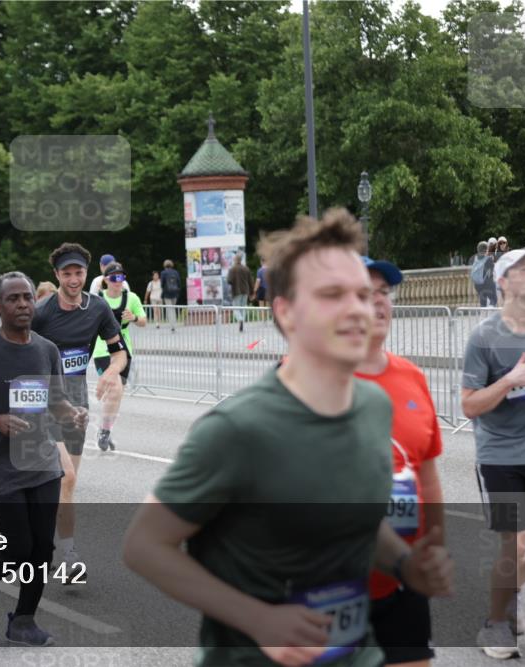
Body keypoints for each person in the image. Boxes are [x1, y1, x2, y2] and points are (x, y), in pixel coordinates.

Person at [123, 209, 454, 667]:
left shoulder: (375, 408)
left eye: (363, 294)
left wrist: (403, 563)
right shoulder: (238, 430)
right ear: (286, 313)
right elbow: (144, 546)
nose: (359, 308)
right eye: (332, 295)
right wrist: (259, 620)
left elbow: (352, 517)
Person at [0, 272, 88, 646]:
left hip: (41, 458)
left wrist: (72, 413)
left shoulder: (46, 349)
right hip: (1, 466)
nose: (23, 305)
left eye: (28, 298)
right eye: (13, 299)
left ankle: (23, 620)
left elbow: (54, 399)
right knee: (19, 545)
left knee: (42, 546)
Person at [355, 256, 445, 667]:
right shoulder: (299, 380)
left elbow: (427, 474)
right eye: (363, 294)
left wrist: (435, 545)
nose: (378, 303)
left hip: (402, 578)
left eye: (383, 293)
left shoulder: (412, 377)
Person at [32, 242, 126, 580]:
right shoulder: (41, 312)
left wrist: (112, 372)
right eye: (67, 273)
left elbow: (119, 353)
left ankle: (64, 553)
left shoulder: (98, 308)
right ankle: (57, 552)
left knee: (66, 485)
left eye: (79, 272)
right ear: (57, 275)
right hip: (41, 402)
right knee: (65, 477)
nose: (74, 279)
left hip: (76, 406)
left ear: (87, 274)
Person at [461, 247, 525, 659]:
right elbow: (469, 405)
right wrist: (510, 379)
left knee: (524, 550)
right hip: (501, 456)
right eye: (524, 271)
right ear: (503, 282)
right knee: (513, 544)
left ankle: (508, 597)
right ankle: (494, 623)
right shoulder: (483, 337)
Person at [92, 262, 146, 451]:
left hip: (124, 351)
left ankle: (104, 429)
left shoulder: (131, 298)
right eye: (114, 278)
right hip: (101, 349)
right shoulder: (98, 299)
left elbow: (144, 321)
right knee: (114, 389)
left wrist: (134, 318)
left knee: (116, 394)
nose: (118, 281)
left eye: (122, 277)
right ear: (106, 280)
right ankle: (105, 432)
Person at [227, 252, 252, 332]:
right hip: (245, 291)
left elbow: (229, 280)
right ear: (241, 260)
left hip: (236, 291)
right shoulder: (246, 269)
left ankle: (240, 319)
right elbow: (250, 281)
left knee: (236, 308)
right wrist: (252, 292)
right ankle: (242, 323)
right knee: (243, 307)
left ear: (235, 260)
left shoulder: (232, 269)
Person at [471, 241, 498, 308]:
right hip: (487, 282)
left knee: (483, 299)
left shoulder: (475, 258)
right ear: (486, 249)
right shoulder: (488, 259)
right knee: (493, 299)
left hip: (477, 284)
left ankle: (483, 315)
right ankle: (490, 312)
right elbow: (491, 272)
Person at [160, 259, 181, 331]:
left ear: (165, 265)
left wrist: (163, 289)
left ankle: (172, 325)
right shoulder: (176, 272)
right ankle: (174, 323)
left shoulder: (163, 273)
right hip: (175, 293)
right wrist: (177, 290)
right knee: (173, 308)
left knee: (169, 309)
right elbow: (179, 282)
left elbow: (162, 283)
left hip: (167, 293)